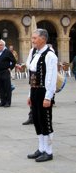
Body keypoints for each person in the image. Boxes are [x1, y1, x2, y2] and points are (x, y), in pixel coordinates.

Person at [26, 28, 57, 162]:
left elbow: (51, 77)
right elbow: (33, 76)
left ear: (43, 39)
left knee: (46, 121)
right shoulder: (35, 53)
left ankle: (49, 152)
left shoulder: (50, 55)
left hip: (44, 91)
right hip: (34, 91)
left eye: (34, 38)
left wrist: (48, 97)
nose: (32, 41)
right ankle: (41, 148)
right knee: (37, 121)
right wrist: (29, 94)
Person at [0, 40, 16, 107]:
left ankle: (8, 102)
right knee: (1, 88)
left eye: (1, 45)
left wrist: (10, 68)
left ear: (3, 46)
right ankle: (2, 102)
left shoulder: (7, 52)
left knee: (7, 88)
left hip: (5, 72)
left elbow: (14, 61)